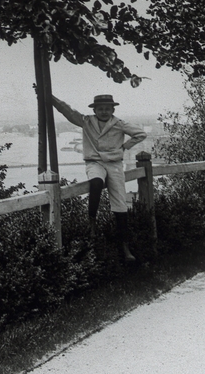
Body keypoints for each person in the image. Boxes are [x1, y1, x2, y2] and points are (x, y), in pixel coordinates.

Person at [42, 88, 147, 262]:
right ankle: (92, 221)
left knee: (120, 205)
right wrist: (49, 96)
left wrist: (124, 147)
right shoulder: (86, 121)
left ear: (113, 110)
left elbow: (140, 134)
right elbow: (67, 110)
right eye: (100, 109)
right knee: (96, 183)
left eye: (107, 108)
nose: (104, 112)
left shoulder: (119, 123)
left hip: (114, 165)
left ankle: (125, 248)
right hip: (94, 162)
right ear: (94, 110)